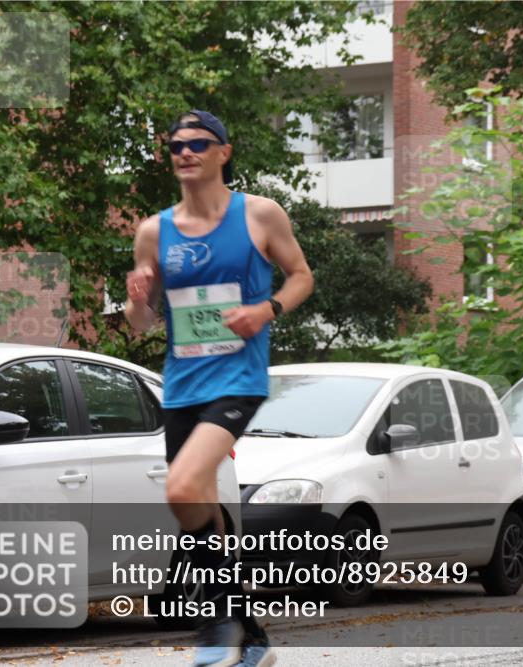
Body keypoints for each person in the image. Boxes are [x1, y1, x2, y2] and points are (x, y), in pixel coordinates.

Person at [126, 110, 314, 667]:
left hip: (238, 379)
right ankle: (251, 637)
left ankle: (216, 625)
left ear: (223, 152)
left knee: (183, 489)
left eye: (198, 143)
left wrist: (266, 309)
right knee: (196, 505)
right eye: (176, 145)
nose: (185, 152)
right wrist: (138, 297)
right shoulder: (153, 231)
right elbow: (143, 324)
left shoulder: (259, 215)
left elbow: (302, 275)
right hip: (182, 385)